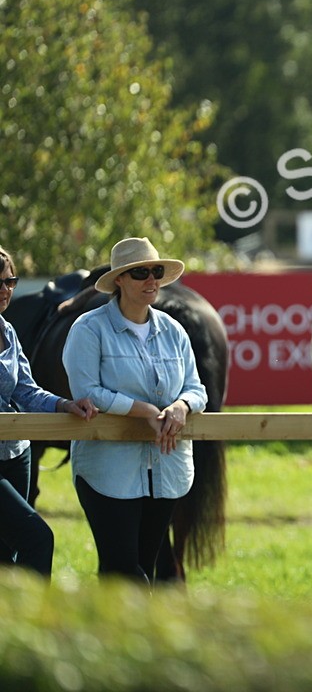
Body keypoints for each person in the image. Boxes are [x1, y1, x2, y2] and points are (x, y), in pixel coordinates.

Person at [63, 237, 207, 583]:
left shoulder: (174, 331)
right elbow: (87, 393)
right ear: (119, 281)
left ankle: (131, 636)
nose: (151, 281)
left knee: (145, 567)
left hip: (165, 469)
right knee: (124, 573)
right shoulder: (88, 329)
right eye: (140, 273)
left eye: (156, 271)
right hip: (106, 470)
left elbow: (196, 388)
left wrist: (180, 406)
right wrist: (144, 410)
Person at [0, 246, 97, 577]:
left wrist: (64, 404)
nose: (5, 291)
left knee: (6, 553)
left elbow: (24, 390)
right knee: (38, 539)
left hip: (17, 455)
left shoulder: (7, 331)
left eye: (10, 281)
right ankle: (36, 626)